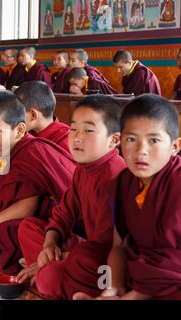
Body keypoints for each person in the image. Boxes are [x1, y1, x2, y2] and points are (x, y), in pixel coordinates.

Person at [18, 95, 126, 300]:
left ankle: (48, 271)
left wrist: (56, 260)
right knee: (28, 227)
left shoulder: (114, 178)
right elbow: (64, 212)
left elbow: (105, 248)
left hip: (107, 264)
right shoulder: (84, 170)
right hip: (85, 252)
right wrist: (50, 243)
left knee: (51, 277)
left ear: (114, 140)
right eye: (74, 129)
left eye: (88, 130)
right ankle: (51, 270)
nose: (77, 137)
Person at [75, 94, 181, 300]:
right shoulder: (122, 183)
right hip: (141, 276)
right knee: (84, 257)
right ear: (119, 141)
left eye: (154, 140)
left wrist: (131, 297)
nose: (141, 151)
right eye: (131, 139)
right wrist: (113, 288)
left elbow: (174, 263)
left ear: (175, 147)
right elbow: (118, 246)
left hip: (170, 282)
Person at [0, 92, 76, 274]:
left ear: (20, 130)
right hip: (35, 221)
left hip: (70, 225)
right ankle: (11, 253)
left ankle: (29, 258)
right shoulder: (2, 152)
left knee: (10, 228)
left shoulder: (31, 152)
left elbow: (27, 207)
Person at [15, 81, 70, 152]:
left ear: (33, 115)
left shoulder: (65, 143)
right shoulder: (27, 133)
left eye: (17, 113)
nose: (13, 117)